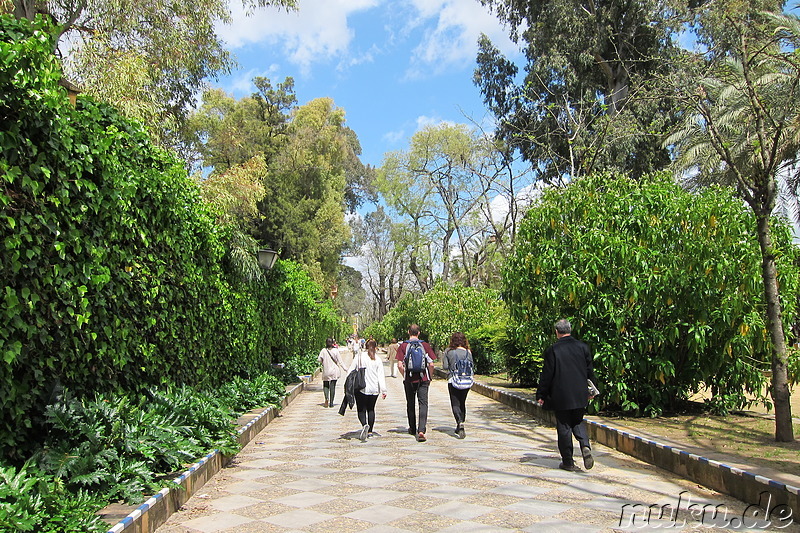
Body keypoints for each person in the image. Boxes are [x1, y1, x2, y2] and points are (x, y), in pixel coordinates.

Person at [536, 319, 597, 471]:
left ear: (556, 332)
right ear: (570, 329)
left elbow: (547, 375)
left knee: (564, 426)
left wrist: (541, 394)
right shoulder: (582, 347)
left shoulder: (553, 350)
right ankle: (585, 446)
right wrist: (592, 390)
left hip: (560, 395)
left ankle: (568, 462)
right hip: (579, 393)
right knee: (578, 420)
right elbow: (590, 371)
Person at [396, 324, 436, 442]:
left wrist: (405, 374)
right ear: (419, 333)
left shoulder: (404, 345)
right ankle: (421, 430)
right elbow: (432, 364)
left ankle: (412, 428)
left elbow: (399, 364)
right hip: (423, 379)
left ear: (408, 332)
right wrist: (430, 376)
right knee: (423, 403)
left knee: (410, 403)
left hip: (409, 379)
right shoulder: (425, 345)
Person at [346, 338, 387, 441]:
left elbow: (351, 370)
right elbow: (381, 376)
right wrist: (384, 390)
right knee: (371, 409)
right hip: (374, 389)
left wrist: (348, 384)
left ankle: (364, 424)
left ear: (365, 346)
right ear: (376, 347)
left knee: (361, 409)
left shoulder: (359, 357)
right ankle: (370, 431)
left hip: (362, 388)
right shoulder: (377, 359)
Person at [442, 331, 474, 439]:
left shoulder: (448, 351)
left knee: (455, 403)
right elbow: (472, 366)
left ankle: (459, 422)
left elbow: (445, 366)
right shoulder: (468, 352)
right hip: (466, 381)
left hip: (453, 380)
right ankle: (461, 423)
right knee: (462, 402)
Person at [318, 337, 345, 408]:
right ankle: (332, 403)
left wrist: (324, 362)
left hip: (326, 370)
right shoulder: (335, 351)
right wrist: (346, 369)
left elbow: (319, 360)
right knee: (332, 386)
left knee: (325, 385)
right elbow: (340, 361)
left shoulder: (323, 350)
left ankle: (326, 398)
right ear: (333, 343)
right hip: (334, 371)